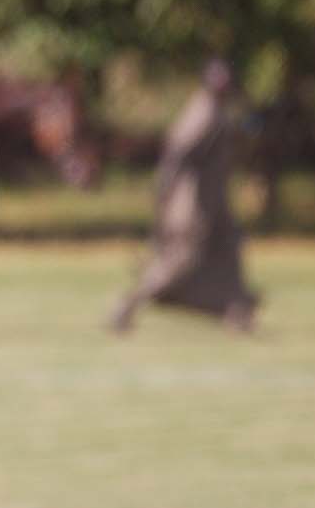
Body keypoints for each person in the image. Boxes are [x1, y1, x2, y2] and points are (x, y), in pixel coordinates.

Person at [108, 59, 259, 332]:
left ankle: (237, 311)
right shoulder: (202, 112)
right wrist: (165, 196)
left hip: (214, 204)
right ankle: (129, 304)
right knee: (180, 260)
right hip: (192, 205)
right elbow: (176, 154)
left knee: (228, 254)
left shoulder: (216, 109)